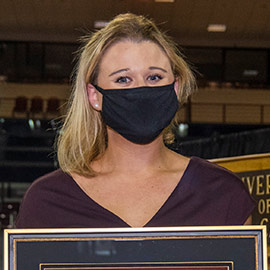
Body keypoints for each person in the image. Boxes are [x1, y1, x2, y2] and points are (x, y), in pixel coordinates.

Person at [16, 13, 255, 228]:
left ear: (176, 87)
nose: (141, 89)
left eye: (154, 77)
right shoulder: (47, 201)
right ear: (94, 95)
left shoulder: (223, 193)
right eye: (123, 79)